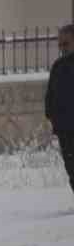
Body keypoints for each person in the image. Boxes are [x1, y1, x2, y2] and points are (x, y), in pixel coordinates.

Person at [48, 24, 74, 197]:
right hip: (65, 128)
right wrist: (50, 115)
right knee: (71, 167)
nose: (63, 49)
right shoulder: (58, 67)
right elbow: (50, 95)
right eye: (60, 45)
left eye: (66, 44)